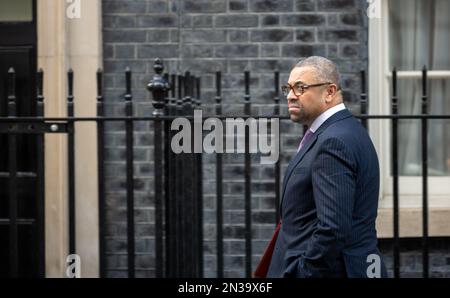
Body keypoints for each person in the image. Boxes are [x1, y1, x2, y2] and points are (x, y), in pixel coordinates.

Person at [262, 56, 387, 278]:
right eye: (288, 88)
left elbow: (333, 228)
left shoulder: (333, 141)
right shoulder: (342, 130)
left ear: (329, 92)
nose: (291, 96)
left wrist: (303, 271)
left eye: (300, 87)